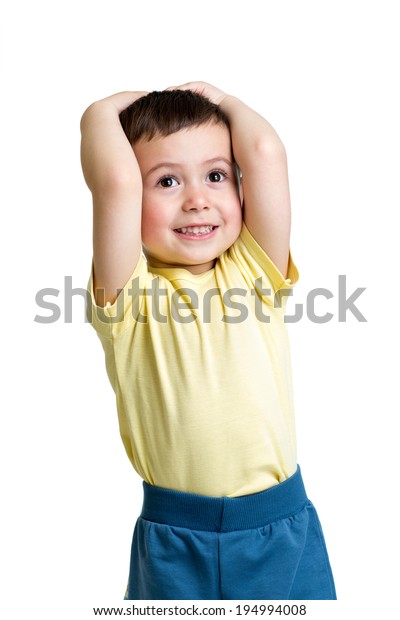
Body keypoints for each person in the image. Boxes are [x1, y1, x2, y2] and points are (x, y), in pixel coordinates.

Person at [81, 81, 336, 600]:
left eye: (216, 176)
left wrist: (226, 102)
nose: (198, 200)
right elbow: (114, 181)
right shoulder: (128, 298)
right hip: (176, 538)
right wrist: (100, 111)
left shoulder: (253, 271)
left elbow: (266, 152)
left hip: (281, 529)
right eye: (168, 181)